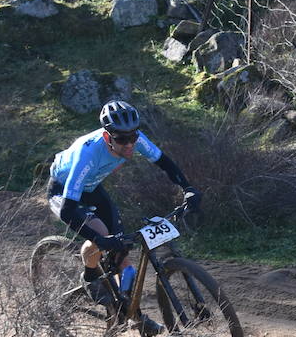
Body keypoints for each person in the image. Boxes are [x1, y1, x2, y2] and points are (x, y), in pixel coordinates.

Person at [47, 99, 200, 317]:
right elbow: (67, 211)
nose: (129, 144)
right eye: (122, 139)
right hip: (64, 190)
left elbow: (164, 162)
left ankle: (129, 311)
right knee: (100, 233)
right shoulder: (87, 154)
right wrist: (99, 240)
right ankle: (90, 277)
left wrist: (188, 188)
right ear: (108, 137)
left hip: (91, 187)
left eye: (133, 137)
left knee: (121, 250)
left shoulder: (134, 138)